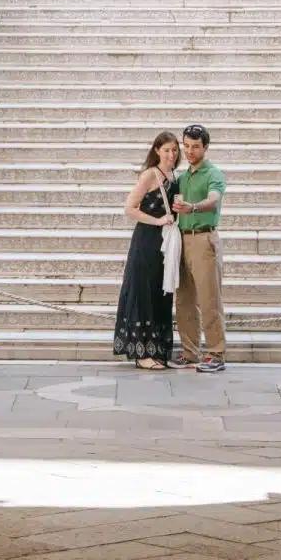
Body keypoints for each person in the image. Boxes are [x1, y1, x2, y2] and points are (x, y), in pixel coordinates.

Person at [113, 131, 181, 369]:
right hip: (146, 241)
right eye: (166, 150)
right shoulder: (149, 175)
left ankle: (157, 349)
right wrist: (158, 220)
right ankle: (142, 353)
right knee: (143, 293)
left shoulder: (174, 175)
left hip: (165, 245)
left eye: (174, 150)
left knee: (160, 293)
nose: (171, 154)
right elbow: (130, 208)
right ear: (156, 151)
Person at [172, 123, 227, 373]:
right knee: (184, 300)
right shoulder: (182, 177)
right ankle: (190, 351)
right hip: (182, 239)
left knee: (209, 299)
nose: (190, 151)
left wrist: (193, 208)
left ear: (205, 147)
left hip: (204, 239)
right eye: (187, 146)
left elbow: (214, 200)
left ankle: (216, 353)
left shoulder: (213, 174)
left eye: (195, 146)